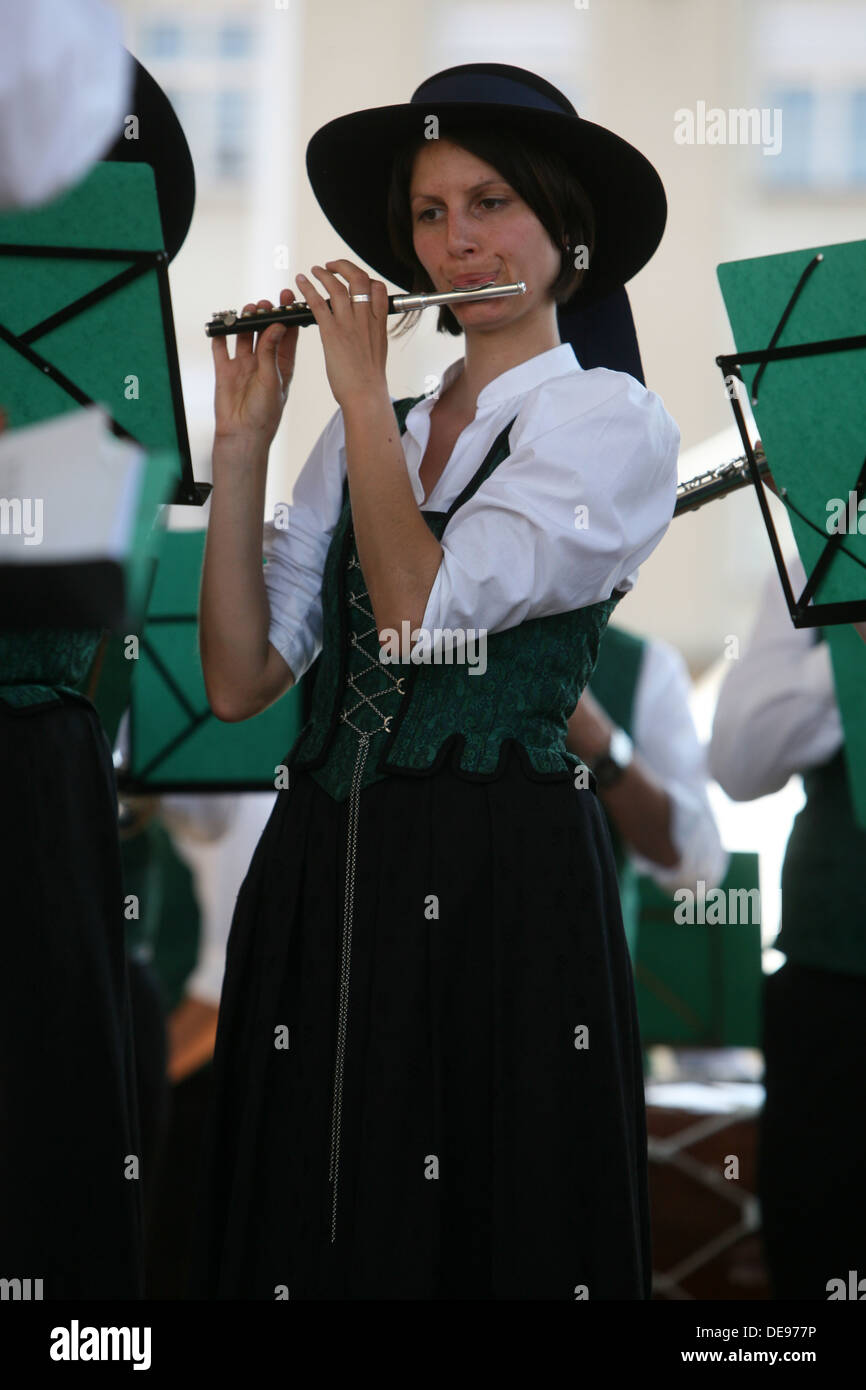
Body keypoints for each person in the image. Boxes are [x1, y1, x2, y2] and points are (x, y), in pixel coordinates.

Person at [192, 63, 680, 1300]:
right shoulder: (381, 423)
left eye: (490, 203)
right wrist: (244, 444)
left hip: (495, 870)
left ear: (566, 233)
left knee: (480, 1223)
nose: (456, 242)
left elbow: (419, 618)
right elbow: (243, 678)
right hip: (321, 858)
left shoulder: (608, 425)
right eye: (428, 213)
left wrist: (357, 398)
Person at [709, 552, 866, 1299]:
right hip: (833, 979)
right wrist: (845, 638)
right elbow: (739, 762)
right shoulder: (824, 551)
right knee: (815, 1254)